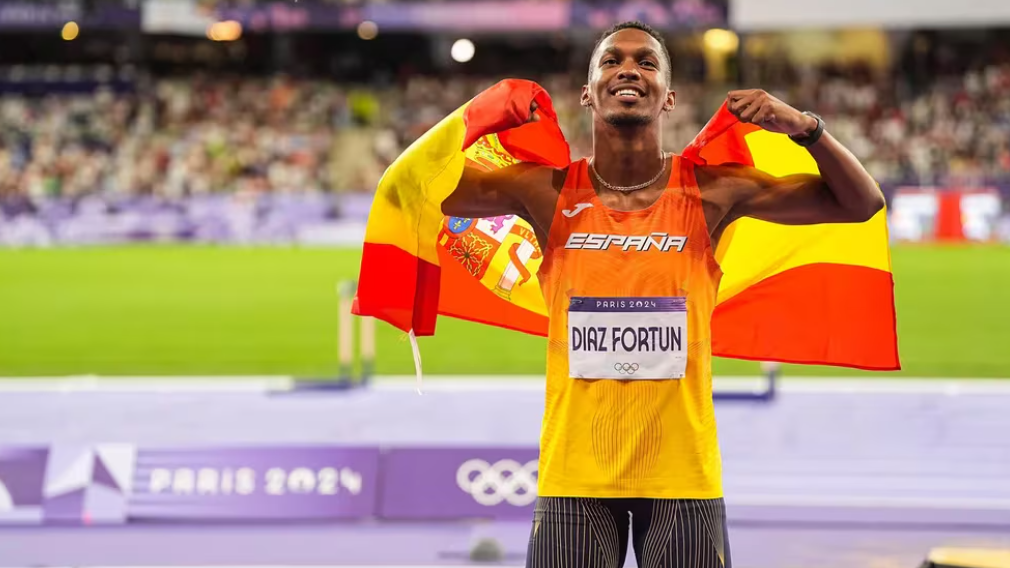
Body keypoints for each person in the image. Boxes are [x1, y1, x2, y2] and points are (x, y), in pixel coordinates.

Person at [442, 21, 884, 568]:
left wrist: (805, 128)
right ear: (587, 92)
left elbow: (860, 203)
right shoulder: (545, 191)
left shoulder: (712, 190)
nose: (629, 69)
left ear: (668, 97)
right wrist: (484, 113)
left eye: (647, 63)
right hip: (574, 476)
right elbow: (424, 185)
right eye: (612, 61)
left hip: (684, 479)